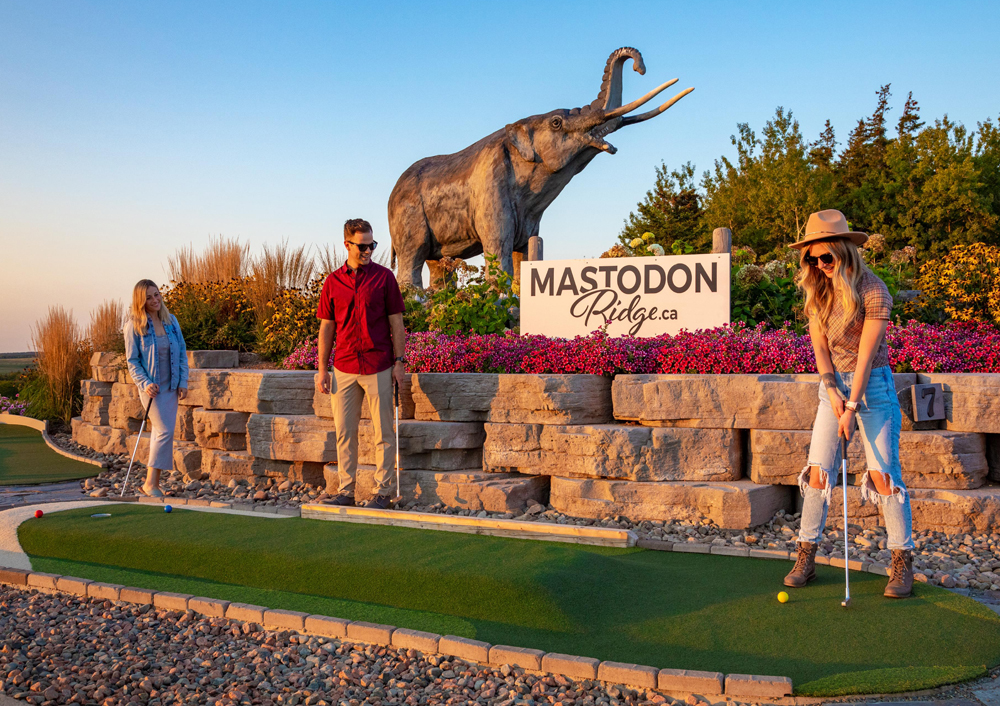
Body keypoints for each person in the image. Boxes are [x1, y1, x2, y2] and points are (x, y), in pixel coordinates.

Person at [784, 209, 914, 598]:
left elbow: (865, 354)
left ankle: (902, 561)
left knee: (882, 475)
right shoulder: (817, 291)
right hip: (833, 389)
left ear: (845, 251)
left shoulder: (874, 290)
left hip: (871, 386)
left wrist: (852, 407)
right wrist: (833, 394)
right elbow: (820, 350)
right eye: (813, 258)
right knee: (817, 473)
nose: (820, 265)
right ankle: (805, 555)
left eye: (827, 257)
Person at [315, 218, 407, 509]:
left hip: (378, 364)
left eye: (372, 245)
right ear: (347, 244)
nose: (369, 251)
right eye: (363, 246)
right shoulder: (333, 282)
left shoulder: (384, 278)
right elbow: (326, 328)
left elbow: (397, 324)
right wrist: (321, 369)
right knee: (345, 432)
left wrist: (400, 362)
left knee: (383, 433)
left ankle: (383, 493)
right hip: (342, 367)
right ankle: (346, 490)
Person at [123, 279, 189, 497]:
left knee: (163, 432)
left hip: (171, 387)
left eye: (157, 294)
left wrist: (182, 382)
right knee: (164, 431)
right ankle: (150, 484)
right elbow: (132, 361)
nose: (154, 300)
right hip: (152, 389)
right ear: (141, 301)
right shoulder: (134, 326)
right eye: (149, 297)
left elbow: (181, 354)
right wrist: (145, 383)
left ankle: (152, 483)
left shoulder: (172, 321)